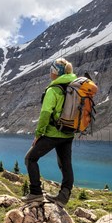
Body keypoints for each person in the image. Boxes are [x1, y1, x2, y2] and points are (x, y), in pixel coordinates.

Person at [23, 58, 76, 206]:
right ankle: (63, 196)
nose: (50, 73)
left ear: (55, 72)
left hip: (53, 133)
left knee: (30, 159)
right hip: (69, 132)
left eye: (51, 70)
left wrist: (39, 134)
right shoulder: (73, 86)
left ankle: (35, 193)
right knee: (66, 164)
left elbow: (46, 113)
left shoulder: (54, 89)